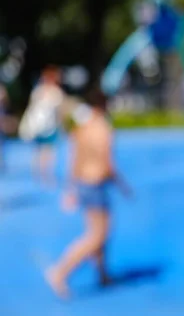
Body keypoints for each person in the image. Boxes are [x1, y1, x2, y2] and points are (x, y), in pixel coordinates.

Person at [46, 89, 131, 299]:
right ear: (105, 106)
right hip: (96, 184)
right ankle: (60, 272)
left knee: (99, 230)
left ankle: (103, 274)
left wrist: (71, 187)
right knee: (97, 235)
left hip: (83, 183)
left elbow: (75, 159)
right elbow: (107, 162)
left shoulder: (83, 128)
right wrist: (122, 185)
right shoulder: (104, 128)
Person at [20, 66, 65, 186]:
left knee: (38, 151)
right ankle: (46, 176)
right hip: (49, 127)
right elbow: (59, 113)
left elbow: (31, 108)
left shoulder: (37, 91)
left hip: (37, 126)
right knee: (48, 152)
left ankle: (39, 174)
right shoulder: (56, 93)